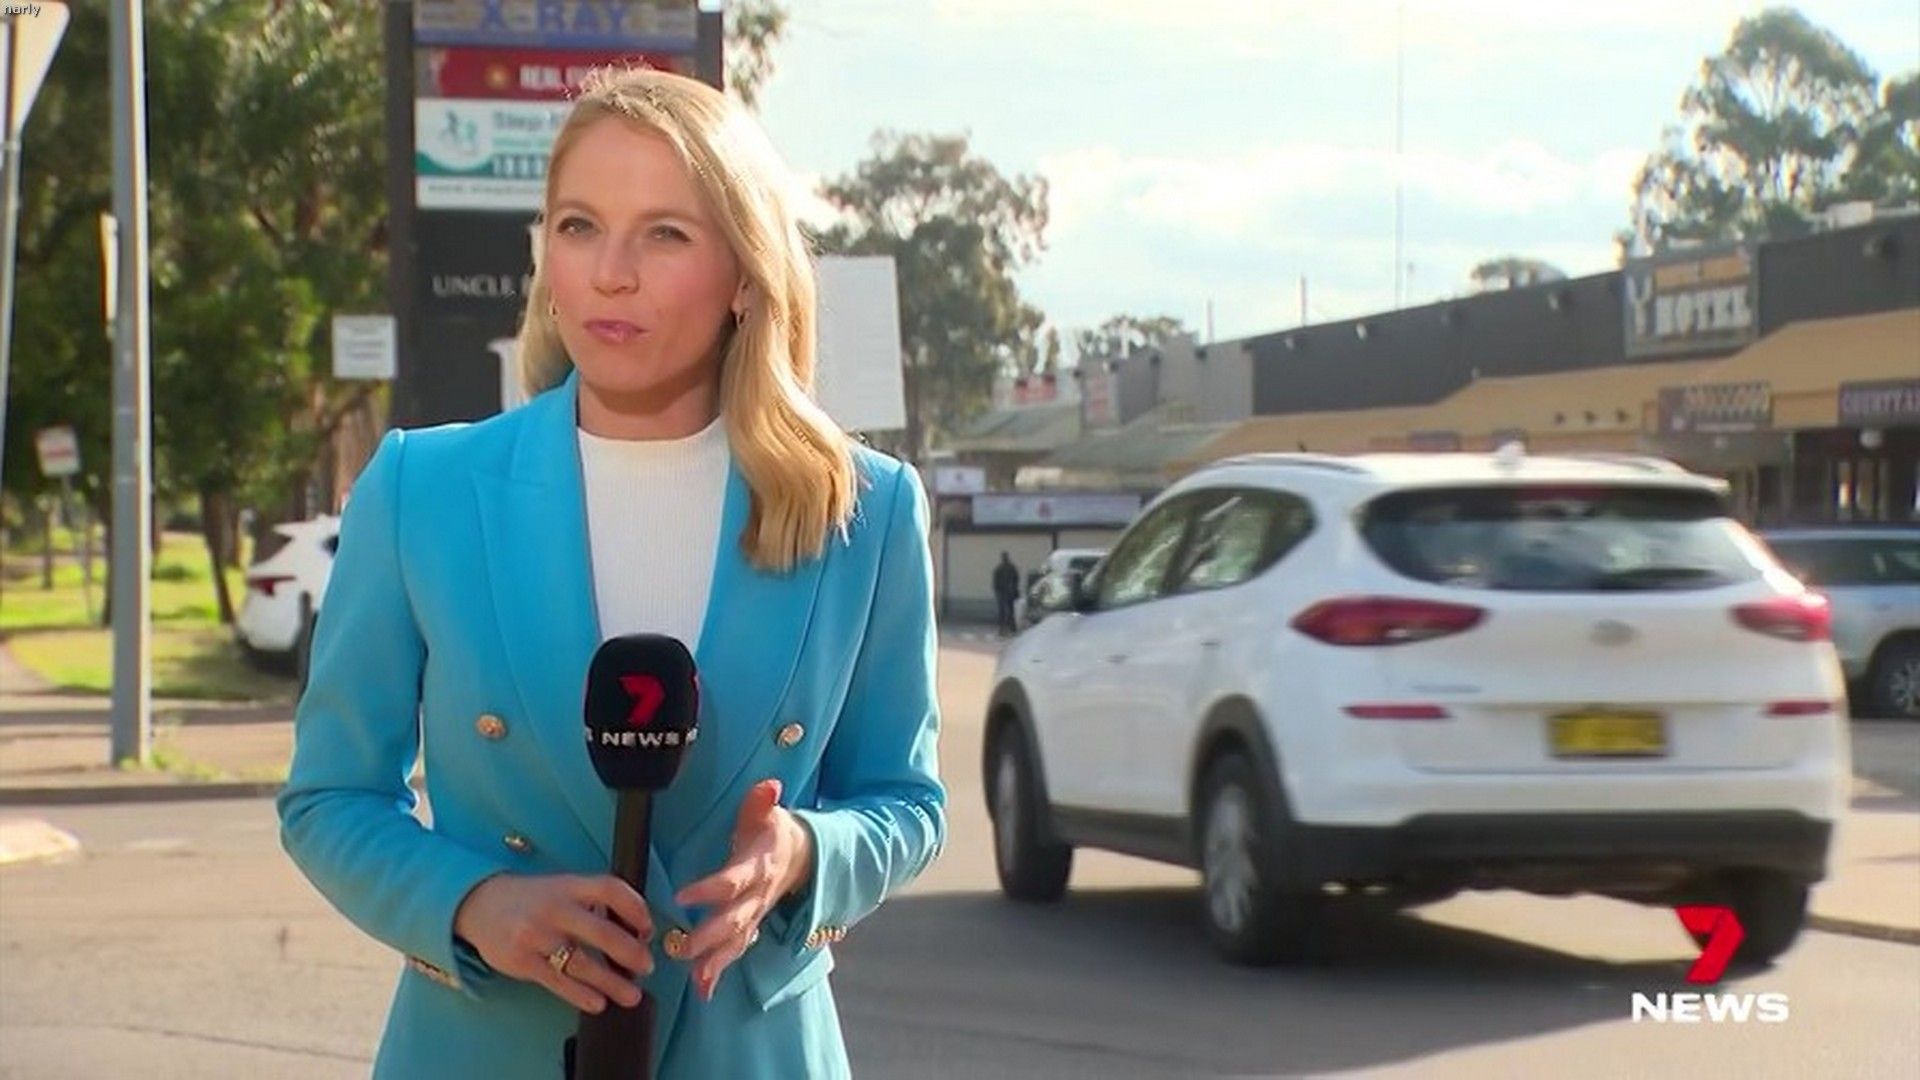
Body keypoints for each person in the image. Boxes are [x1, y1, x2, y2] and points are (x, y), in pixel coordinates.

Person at [277, 68, 945, 1080]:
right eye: (579, 226)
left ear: (746, 274)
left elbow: (907, 801)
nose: (611, 273)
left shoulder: (867, 509)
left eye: (665, 234)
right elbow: (329, 797)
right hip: (483, 1050)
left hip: (751, 1052)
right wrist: (472, 904)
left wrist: (805, 856)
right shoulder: (423, 490)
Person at [992, 552, 1021, 636]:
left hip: (1002, 593)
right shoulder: (1012, 568)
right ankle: (1012, 628)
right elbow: (1016, 579)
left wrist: (997, 591)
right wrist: (1014, 589)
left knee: (1003, 611)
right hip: (1009, 592)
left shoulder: (999, 568)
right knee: (1010, 611)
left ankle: (1003, 628)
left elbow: (995, 582)